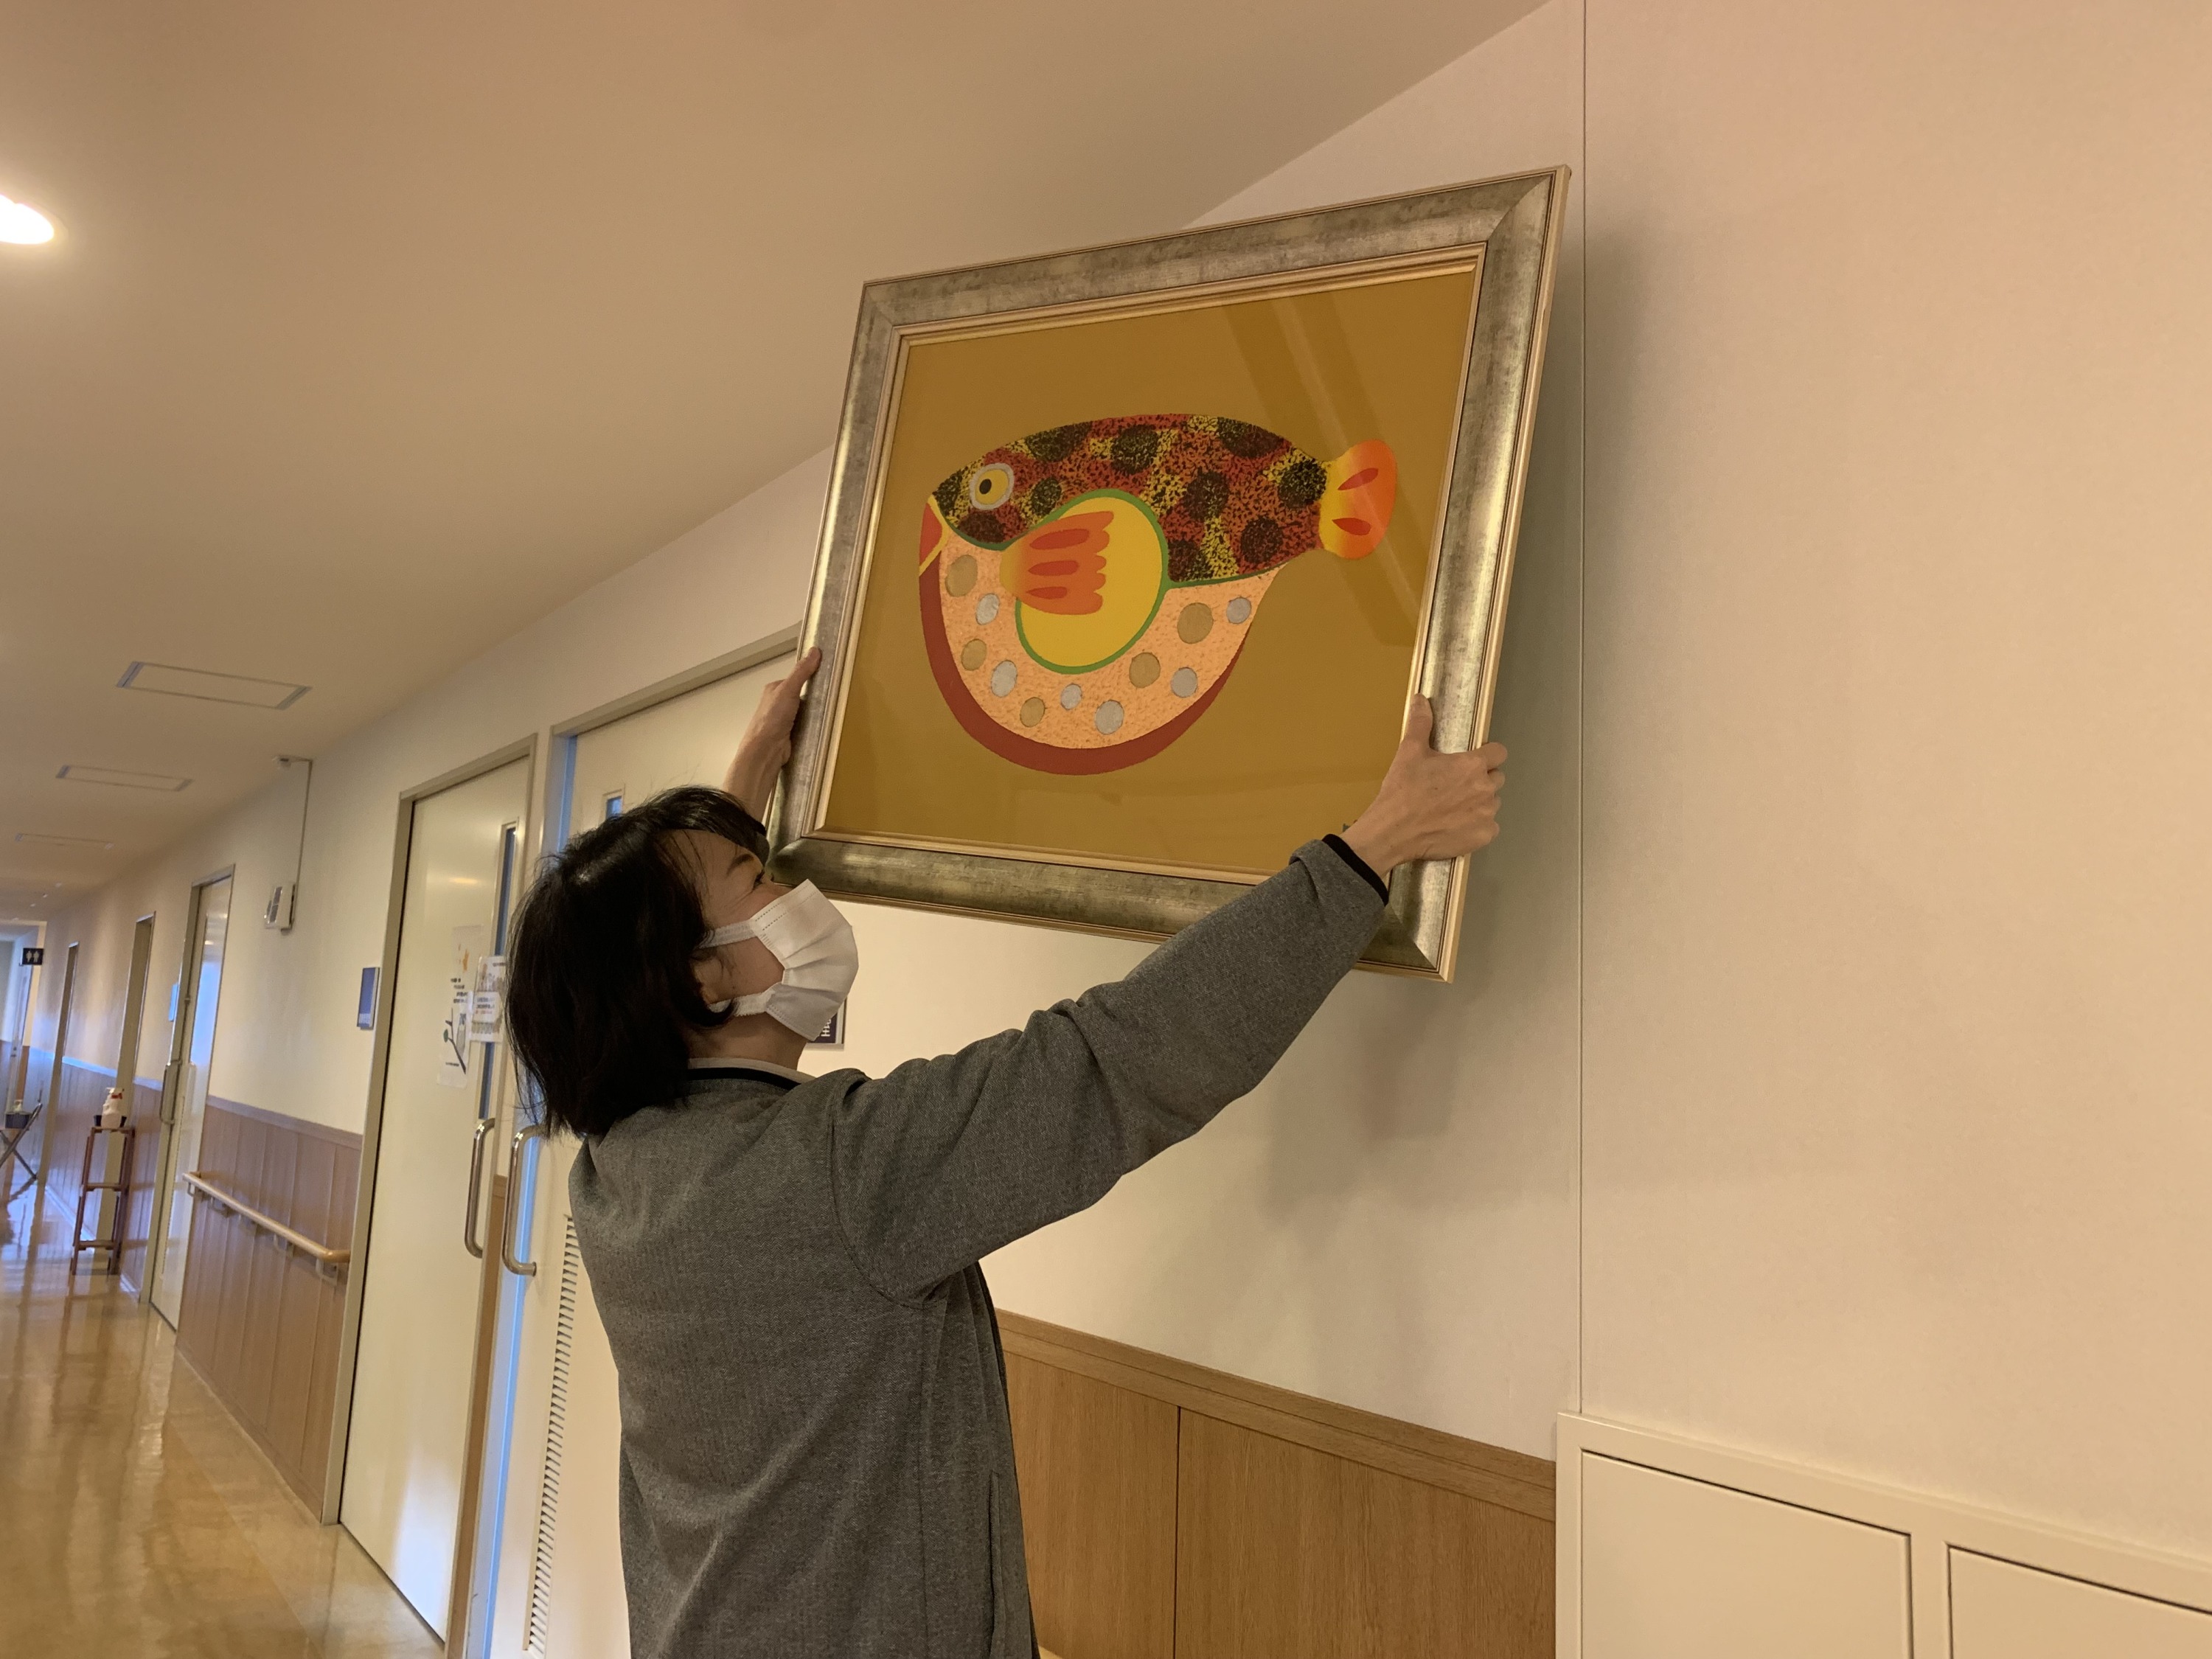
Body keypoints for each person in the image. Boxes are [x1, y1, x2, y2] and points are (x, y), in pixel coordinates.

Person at [504, 646, 1507, 1659]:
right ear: (703, 980)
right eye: (760, 878)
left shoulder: (618, 1167)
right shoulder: (842, 1173)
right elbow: (1115, 1060)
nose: (790, 889)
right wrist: (1372, 849)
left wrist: (740, 795)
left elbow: (665, 961)